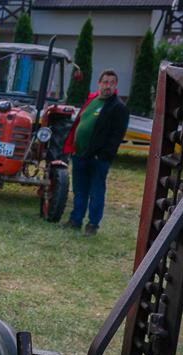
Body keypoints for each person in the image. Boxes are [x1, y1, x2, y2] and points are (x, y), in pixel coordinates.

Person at [62, 69, 129, 236]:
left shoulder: (118, 107)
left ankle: (92, 224)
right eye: (105, 82)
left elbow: (117, 136)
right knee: (79, 191)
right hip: (80, 155)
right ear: (99, 83)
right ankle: (75, 220)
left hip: (97, 159)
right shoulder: (91, 101)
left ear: (115, 86)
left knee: (96, 192)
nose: (108, 86)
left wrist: (103, 156)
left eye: (112, 83)